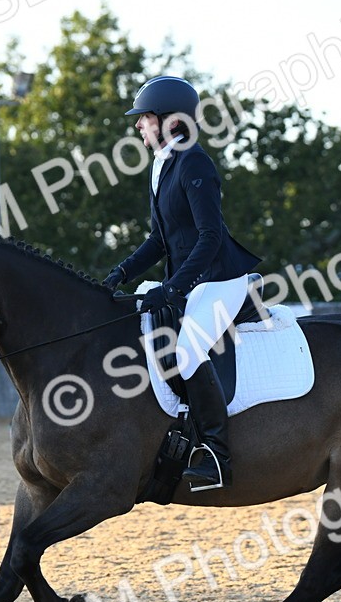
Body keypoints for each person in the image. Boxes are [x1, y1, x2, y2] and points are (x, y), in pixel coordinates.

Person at [103, 75, 261, 491]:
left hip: (221, 277)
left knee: (188, 348)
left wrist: (172, 288)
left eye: (144, 119)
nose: (138, 126)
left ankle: (216, 455)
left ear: (169, 120)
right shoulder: (161, 165)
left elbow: (210, 237)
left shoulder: (194, 162)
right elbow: (160, 239)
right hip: (191, 279)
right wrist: (121, 272)